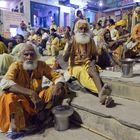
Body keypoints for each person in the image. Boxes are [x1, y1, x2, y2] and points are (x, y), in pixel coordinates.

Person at [0, 43, 67, 132]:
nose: (29, 57)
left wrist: (58, 86)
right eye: (26, 54)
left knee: (60, 89)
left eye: (32, 54)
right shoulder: (16, 66)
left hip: (38, 101)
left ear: (36, 55)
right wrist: (31, 93)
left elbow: (57, 76)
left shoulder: (41, 65)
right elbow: (5, 83)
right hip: (22, 102)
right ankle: (17, 125)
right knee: (7, 97)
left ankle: (45, 114)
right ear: (20, 56)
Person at [63, 19, 114, 107]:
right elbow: (64, 59)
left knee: (93, 70)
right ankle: (102, 93)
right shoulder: (72, 40)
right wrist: (69, 46)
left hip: (88, 62)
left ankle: (102, 94)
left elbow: (94, 55)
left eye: (85, 29)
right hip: (75, 65)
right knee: (83, 74)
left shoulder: (91, 40)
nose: (83, 31)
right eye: (81, 29)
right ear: (76, 30)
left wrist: (92, 62)